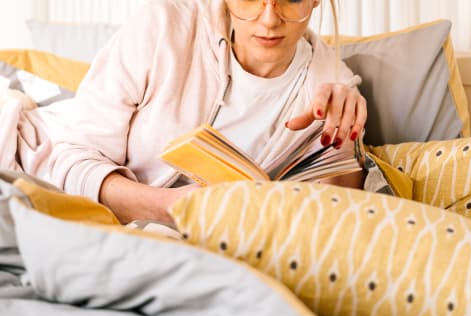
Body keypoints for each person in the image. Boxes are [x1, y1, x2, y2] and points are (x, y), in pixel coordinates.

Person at [45, 0, 367, 225]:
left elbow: (336, 220)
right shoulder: (163, 28)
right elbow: (69, 159)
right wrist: (165, 208)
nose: (269, 19)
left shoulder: (332, 88)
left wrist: (343, 144)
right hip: (36, 152)